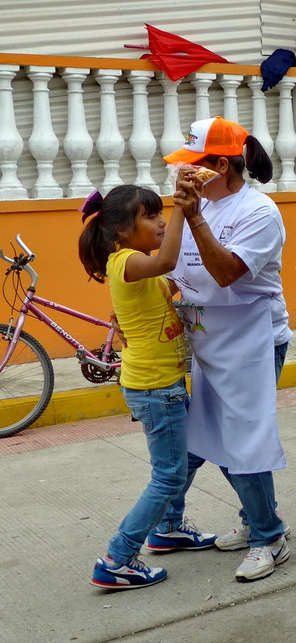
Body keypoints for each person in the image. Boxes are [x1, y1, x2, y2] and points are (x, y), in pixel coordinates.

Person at [161, 117, 293, 583]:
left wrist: (192, 216)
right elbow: (172, 266)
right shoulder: (204, 206)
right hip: (207, 339)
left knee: (244, 440)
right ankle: (255, 518)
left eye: (191, 165)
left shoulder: (258, 212)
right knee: (216, 438)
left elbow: (225, 273)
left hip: (252, 341)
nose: (183, 175)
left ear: (220, 164)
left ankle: (270, 537)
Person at [83, 183, 214, 589]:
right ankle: (117, 558)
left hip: (164, 384)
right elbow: (169, 260)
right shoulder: (126, 261)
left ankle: (169, 527)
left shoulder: (134, 264)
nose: (160, 221)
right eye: (151, 216)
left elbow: (166, 286)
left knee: (189, 456)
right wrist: (181, 209)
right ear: (123, 229)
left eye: (161, 214)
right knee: (168, 476)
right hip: (157, 390)